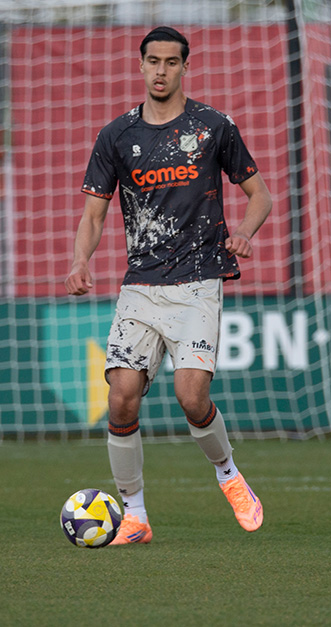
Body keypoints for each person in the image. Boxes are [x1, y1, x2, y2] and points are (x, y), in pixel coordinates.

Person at [64, 26, 273, 545]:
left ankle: (228, 474)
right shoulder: (116, 136)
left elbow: (259, 195)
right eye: (152, 61)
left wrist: (244, 231)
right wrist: (79, 260)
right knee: (121, 398)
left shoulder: (212, 128)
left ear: (185, 67)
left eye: (171, 62)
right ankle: (134, 517)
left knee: (191, 394)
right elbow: (94, 214)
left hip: (199, 280)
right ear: (140, 66)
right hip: (141, 285)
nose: (161, 70)